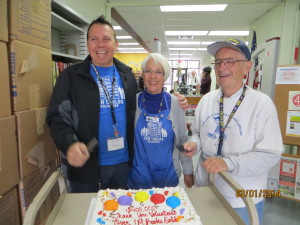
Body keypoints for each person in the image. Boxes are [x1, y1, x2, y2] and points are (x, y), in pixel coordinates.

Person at [46, 16, 188, 193]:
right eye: (94, 39)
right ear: (88, 44)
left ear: (116, 44)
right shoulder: (71, 77)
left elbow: (145, 99)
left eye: (106, 39)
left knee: (121, 215)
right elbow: (57, 117)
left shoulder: (126, 76)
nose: (100, 44)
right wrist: (70, 144)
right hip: (87, 167)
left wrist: (173, 98)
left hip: (124, 166)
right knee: (89, 217)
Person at [183, 39, 283, 225]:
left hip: (242, 196)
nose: (222, 68)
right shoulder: (207, 100)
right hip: (205, 188)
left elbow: (270, 154)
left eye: (230, 62)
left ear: (246, 67)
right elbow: (197, 132)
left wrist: (227, 163)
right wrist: (194, 144)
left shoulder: (262, 104)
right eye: (218, 62)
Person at [128, 53, 194, 189]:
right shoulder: (133, 102)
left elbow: (182, 139)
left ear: (165, 76)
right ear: (143, 75)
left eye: (158, 72)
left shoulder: (176, 103)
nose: (153, 76)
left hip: (168, 175)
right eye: (148, 71)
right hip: (139, 175)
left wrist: (188, 170)